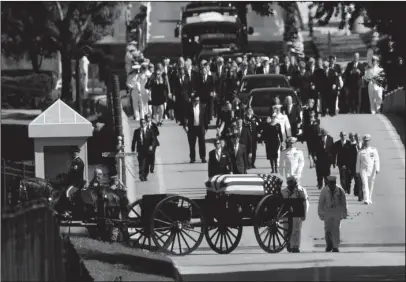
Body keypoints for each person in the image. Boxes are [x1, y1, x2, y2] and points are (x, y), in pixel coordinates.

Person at [318, 176, 348, 252]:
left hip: (337, 211)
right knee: (328, 229)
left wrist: (344, 213)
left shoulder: (340, 190)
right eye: (330, 183)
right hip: (327, 211)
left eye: (333, 183)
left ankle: (335, 246)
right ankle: (329, 244)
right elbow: (321, 203)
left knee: (336, 229)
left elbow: (344, 202)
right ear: (328, 183)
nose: (331, 185)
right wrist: (320, 213)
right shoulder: (324, 190)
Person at [281, 175, 309, 253]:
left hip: (297, 214)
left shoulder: (300, 192)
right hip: (286, 215)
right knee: (286, 230)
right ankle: (289, 243)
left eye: (292, 182)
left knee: (296, 230)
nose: (291, 184)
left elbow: (304, 204)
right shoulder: (283, 192)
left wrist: (304, 215)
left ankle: (296, 246)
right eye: (289, 182)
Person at [356, 134, 380, 204]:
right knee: (364, 184)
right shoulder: (361, 151)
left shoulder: (373, 150)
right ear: (363, 141)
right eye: (365, 141)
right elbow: (358, 162)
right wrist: (357, 171)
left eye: (368, 141)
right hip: (363, 169)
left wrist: (377, 168)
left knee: (370, 184)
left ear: (370, 141)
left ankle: (369, 198)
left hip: (372, 170)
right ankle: (366, 199)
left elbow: (377, 160)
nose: (366, 142)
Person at [184, 96, 208, 163]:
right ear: (192, 100)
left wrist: (206, 127)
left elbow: (205, 117)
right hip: (192, 128)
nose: (196, 102)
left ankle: (203, 157)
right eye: (195, 100)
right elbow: (185, 117)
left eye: (198, 100)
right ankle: (192, 158)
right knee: (192, 144)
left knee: (202, 143)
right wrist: (185, 126)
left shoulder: (203, 107)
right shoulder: (188, 107)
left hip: (200, 127)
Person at [348, 132, 363, 201]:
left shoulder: (363, 146)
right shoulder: (352, 146)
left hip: (362, 166)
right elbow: (350, 158)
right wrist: (350, 167)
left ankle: (359, 193)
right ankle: (360, 195)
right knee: (357, 180)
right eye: (356, 138)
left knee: (361, 181)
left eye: (359, 138)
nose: (358, 139)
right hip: (355, 166)